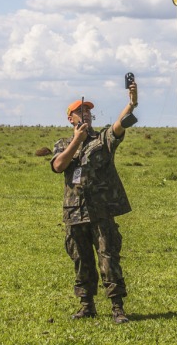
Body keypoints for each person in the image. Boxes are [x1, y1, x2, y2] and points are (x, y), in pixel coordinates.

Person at [50, 81, 138, 324]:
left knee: (108, 257)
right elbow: (58, 166)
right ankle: (86, 305)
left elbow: (118, 127)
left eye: (88, 110)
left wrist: (131, 103)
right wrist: (77, 141)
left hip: (100, 211)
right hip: (74, 213)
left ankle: (117, 308)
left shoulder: (102, 140)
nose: (86, 113)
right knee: (81, 259)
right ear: (70, 118)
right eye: (80, 111)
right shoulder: (62, 144)